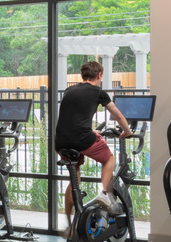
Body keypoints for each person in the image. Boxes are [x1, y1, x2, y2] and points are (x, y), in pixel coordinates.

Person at [53, 60, 132, 217]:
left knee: (74, 181)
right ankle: (104, 193)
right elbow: (118, 115)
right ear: (99, 74)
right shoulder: (98, 92)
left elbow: (73, 117)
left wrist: (90, 131)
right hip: (81, 139)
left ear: (83, 75)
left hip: (61, 141)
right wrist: (127, 132)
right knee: (109, 159)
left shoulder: (69, 90)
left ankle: (69, 221)